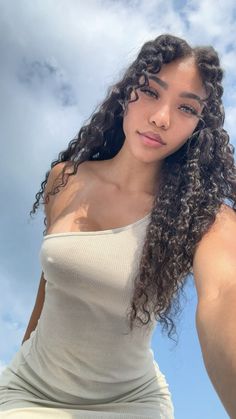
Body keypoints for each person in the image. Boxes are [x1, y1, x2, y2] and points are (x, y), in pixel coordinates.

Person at [0, 33, 235, 419]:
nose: (162, 118)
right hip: (29, 388)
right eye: (151, 92)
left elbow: (225, 294)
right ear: (128, 92)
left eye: (187, 109)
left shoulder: (202, 217)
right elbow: (52, 280)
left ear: (198, 127)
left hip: (131, 403)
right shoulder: (66, 179)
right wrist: (17, 366)